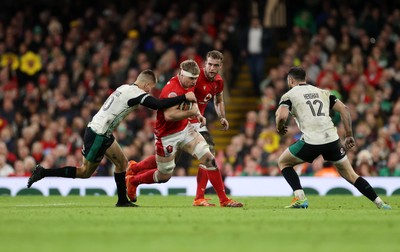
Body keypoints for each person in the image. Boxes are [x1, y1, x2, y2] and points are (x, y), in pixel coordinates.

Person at [26, 69, 197, 207]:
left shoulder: (124, 87)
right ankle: (43, 172)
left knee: (122, 163)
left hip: (102, 132)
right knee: (85, 172)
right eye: (150, 88)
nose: (149, 91)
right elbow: (158, 105)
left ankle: (122, 201)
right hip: (98, 134)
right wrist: (184, 97)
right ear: (145, 84)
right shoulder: (136, 93)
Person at [127, 51, 243, 207]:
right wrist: (193, 112)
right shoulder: (172, 90)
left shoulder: (198, 80)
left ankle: (222, 199)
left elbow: (197, 99)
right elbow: (169, 115)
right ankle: (133, 178)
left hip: (187, 128)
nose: (194, 82)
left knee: (209, 157)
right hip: (167, 134)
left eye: (215, 65)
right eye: (209, 64)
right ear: (182, 74)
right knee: (164, 174)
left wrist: (206, 114)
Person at [275, 66, 391, 210]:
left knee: (284, 163)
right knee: (351, 175)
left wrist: (280, 127)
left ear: (290, 80)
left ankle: (300, 198)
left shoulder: (289, 95)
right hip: (332, 140)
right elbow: (344, 109)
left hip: (312, 141)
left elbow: (281, 116)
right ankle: (380, 203)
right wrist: (348, 135)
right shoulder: (322, 92)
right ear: (305, 79)